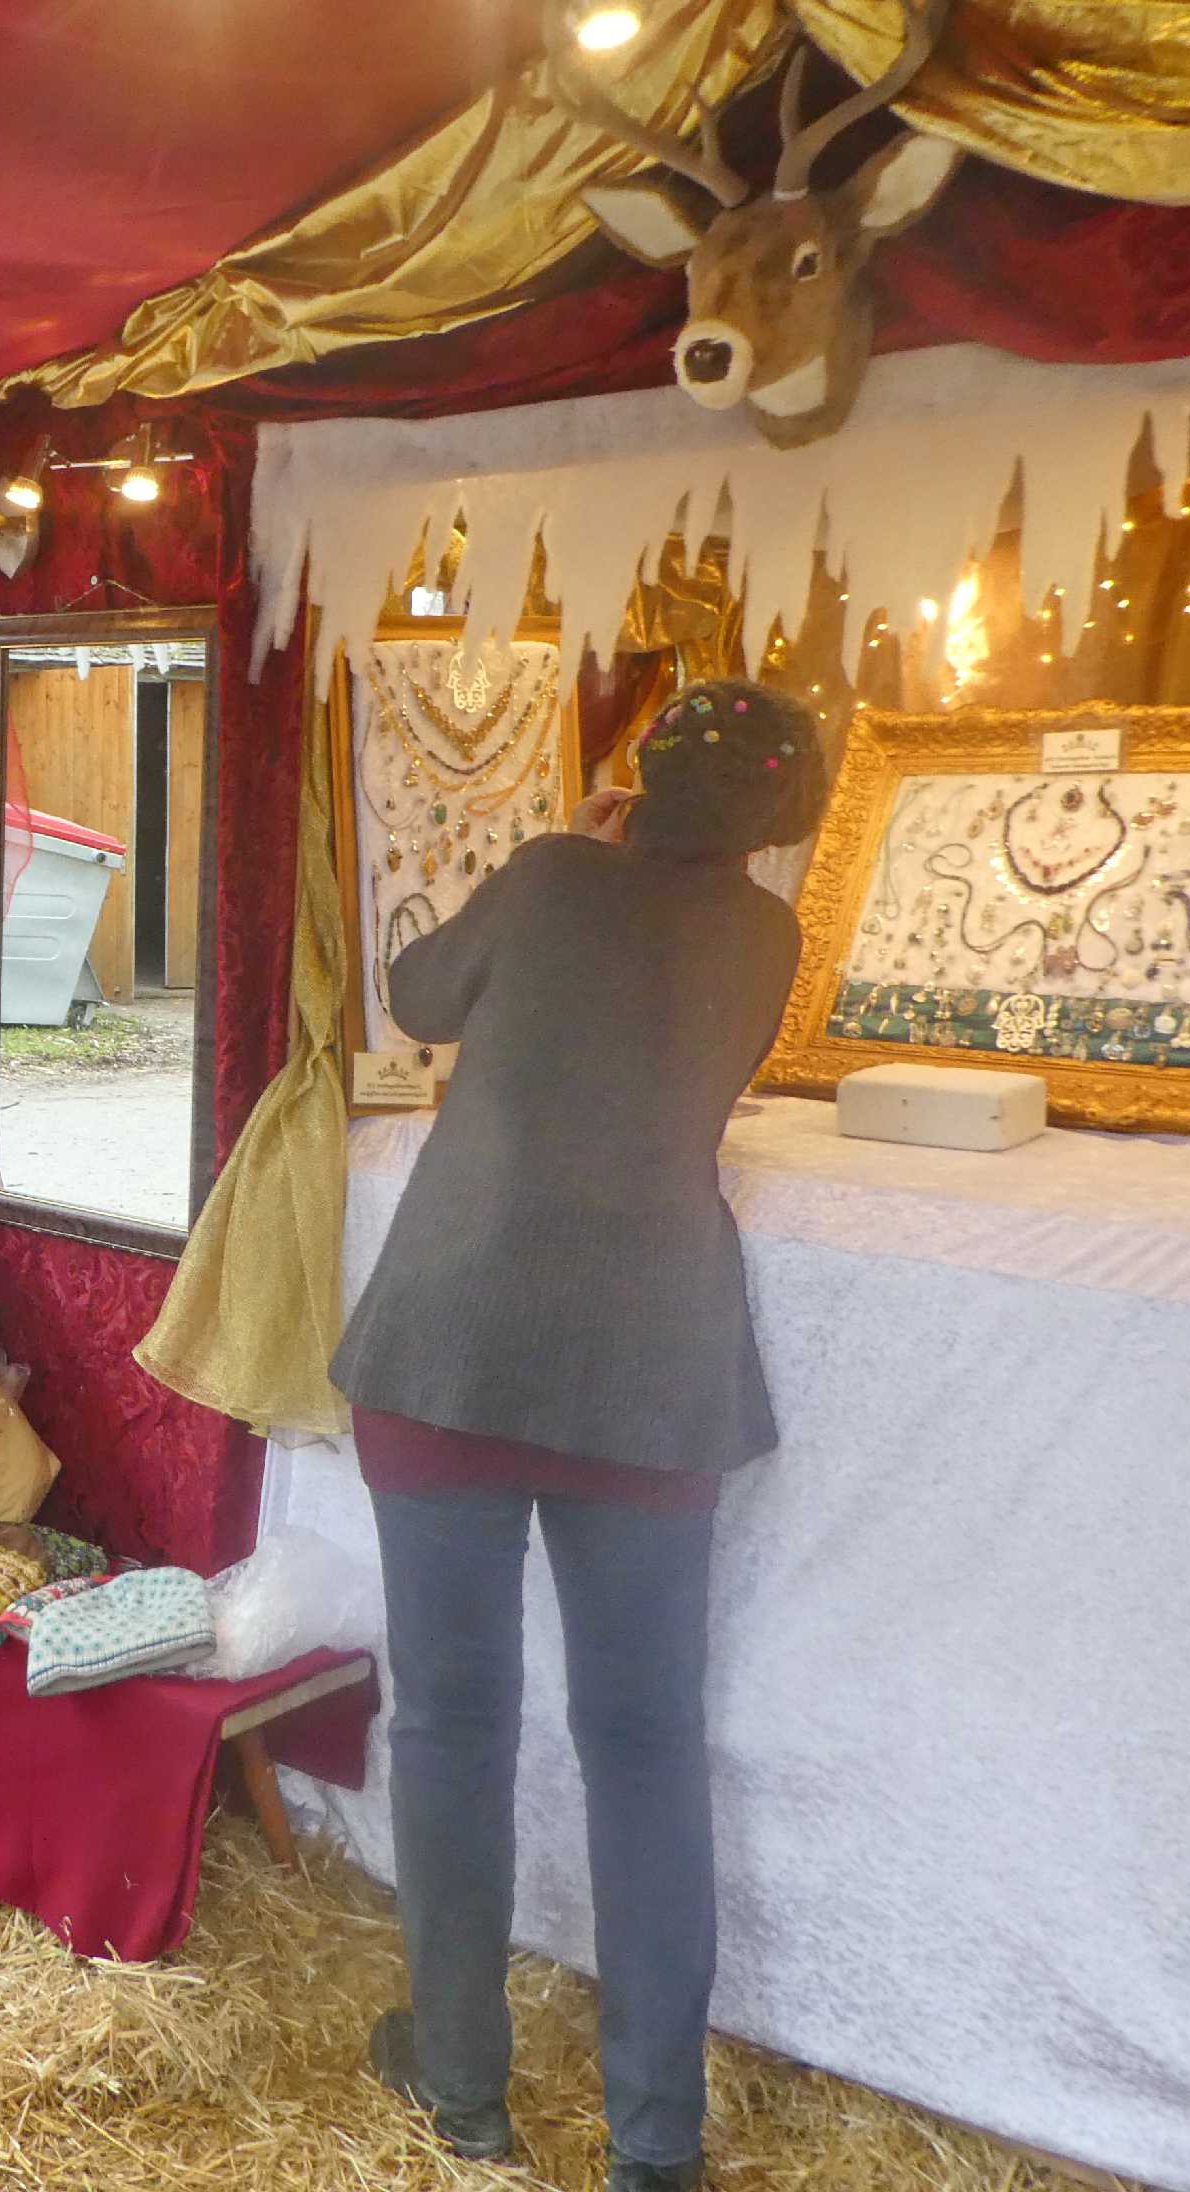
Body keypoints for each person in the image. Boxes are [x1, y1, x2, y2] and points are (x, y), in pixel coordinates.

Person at [335, 676, 831, 2187]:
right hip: (649, 1377)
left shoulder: (554, 876)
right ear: (780, 820)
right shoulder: (768, 937)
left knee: (451, 1725)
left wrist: (570, 845)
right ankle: (655, 2147)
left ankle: (463, 2094)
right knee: (645, 1749)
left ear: (640, 781)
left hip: (452, 1345)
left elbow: (420, 997)